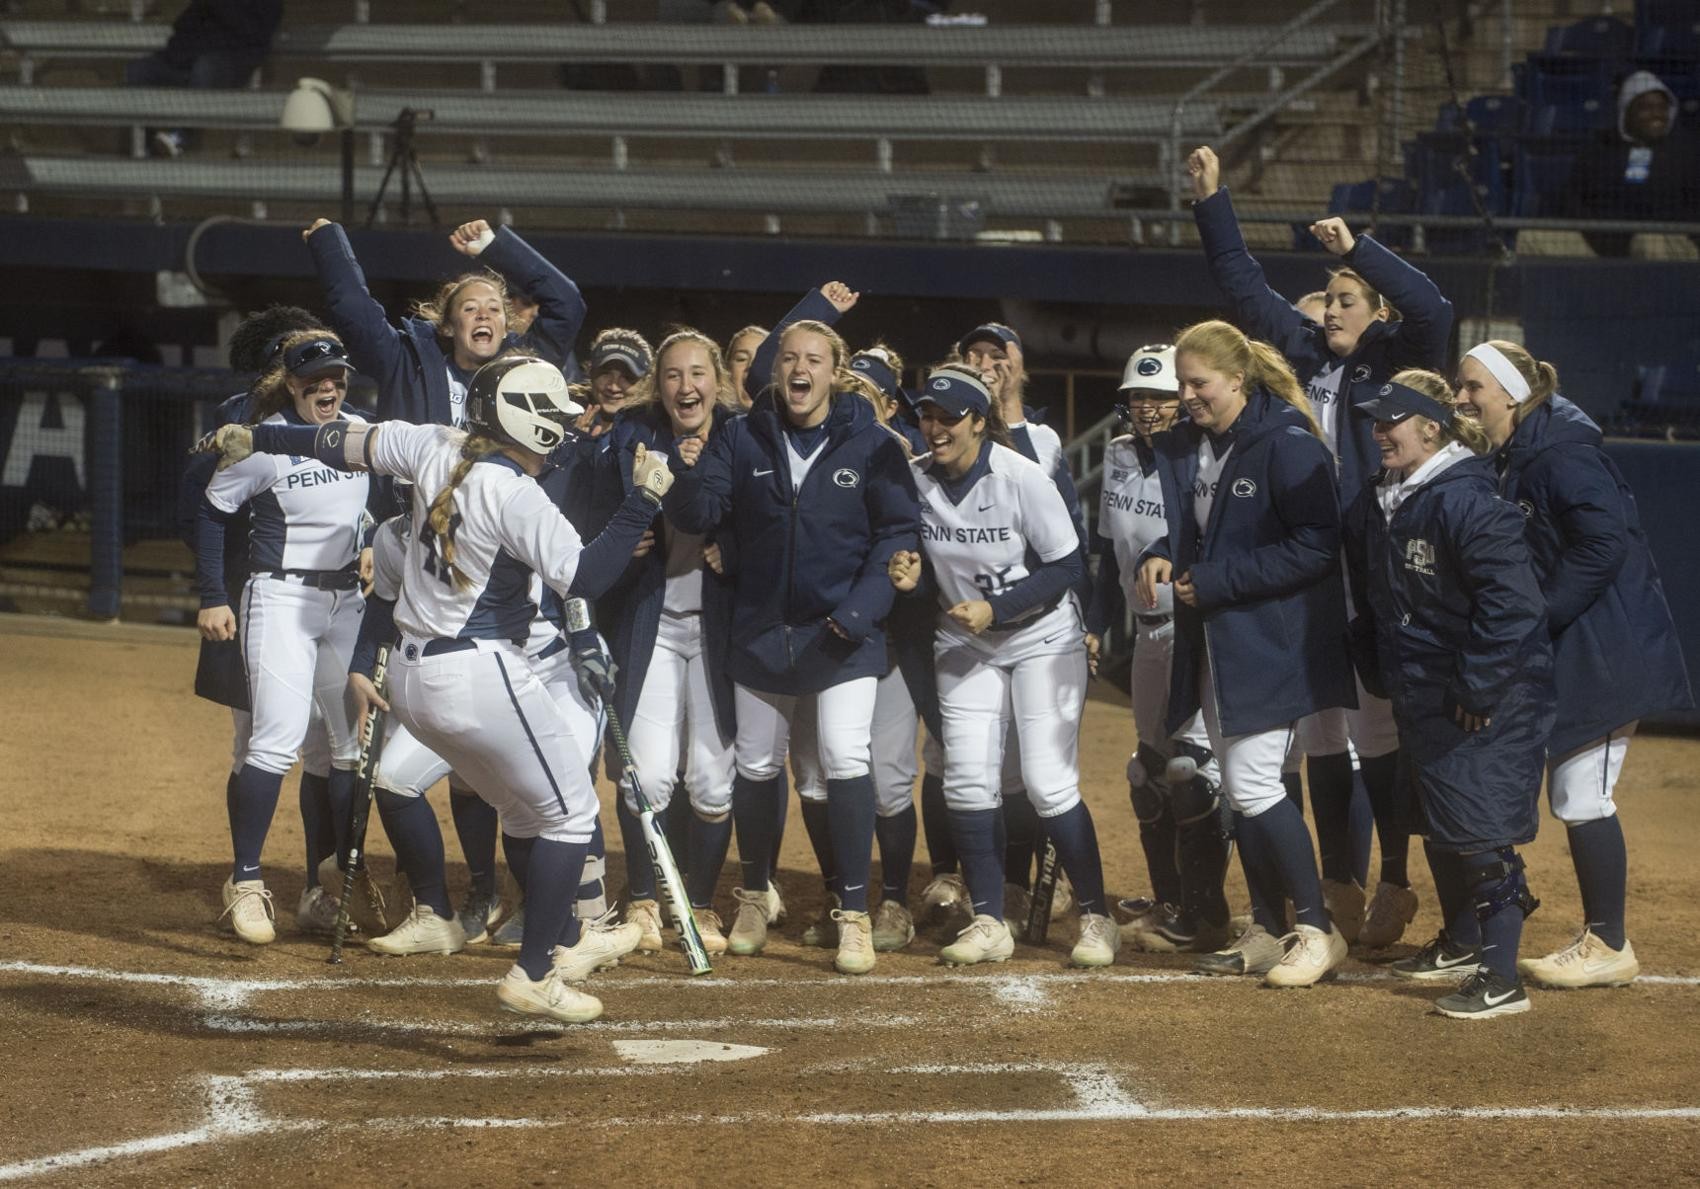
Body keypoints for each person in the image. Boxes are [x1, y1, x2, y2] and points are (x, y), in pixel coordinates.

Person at [205, 354, 673, 1023]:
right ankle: (538, 970)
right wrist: (643, 500)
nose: (565, 427)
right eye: (555, 417)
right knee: (571, 813)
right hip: (479, 670)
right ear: (524, 420)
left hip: (417, 679)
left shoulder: (430, 442)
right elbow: (587, 576)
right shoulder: (513, 491)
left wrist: (260, 438)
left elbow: (340, 443)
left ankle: (564, 944)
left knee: (524, 811)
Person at [1189, 144, 1456, 950]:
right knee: (1322, 735)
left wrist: (1357, 251)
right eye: (1328, 301)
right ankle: (1337, 877)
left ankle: (1401, 880)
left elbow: (1436, 309)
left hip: (1377, 567)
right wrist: (1213, 203)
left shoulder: (1397, 358)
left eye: (1346, 300)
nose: (1331, 311)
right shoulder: (1300, 358)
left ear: (1374, 311)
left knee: (1382, 731)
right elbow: (1241, 288)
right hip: (1314, 564)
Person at [305, 215, 588, 936]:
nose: (485, 317)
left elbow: (566, 303)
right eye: (470, 308)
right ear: (446, 325)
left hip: (527, 585)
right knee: (455, 761)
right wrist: (331, 243)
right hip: (437, 578)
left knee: (515, 772)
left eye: (495, 307)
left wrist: (496, 250)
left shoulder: (531, 366)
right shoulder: (412, 367)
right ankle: (463, 899)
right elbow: (351, 313)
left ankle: (549, 908)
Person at [663, 305, 920, 975]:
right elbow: (700, 510)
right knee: (755, 763)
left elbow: (896, 534)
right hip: (761, 632)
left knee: (842, 755)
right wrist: (687, 474)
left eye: (814, 359)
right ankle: (753, 896)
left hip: (844, 635)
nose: (800, 368)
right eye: (789, 358)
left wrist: (861, 610)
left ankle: (854, 915)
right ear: (773, 371)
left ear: (837, 372)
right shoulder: (741, 436)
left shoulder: (872, 444)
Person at [1456, 340, 1693, 989]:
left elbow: (1604, 541)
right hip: (1577, 646)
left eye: (1473, 385)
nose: (1462, 397)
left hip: (1608, 648)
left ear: (1509, 392)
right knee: (1569, 790)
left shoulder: (1561, 451)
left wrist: (1536, 615)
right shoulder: (1518, 452)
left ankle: (1610, 941)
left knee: (1582, 792)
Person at [1135, 320, 1355, 987]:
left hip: (1272, 640)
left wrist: (1221, 580)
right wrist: (1160, 550)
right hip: (1218, 639)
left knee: (1256, 785)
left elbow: (1320, 545)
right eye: (1182, 383)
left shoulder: (1288, 444)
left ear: (1237, 378)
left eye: (1198, 383)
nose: (1186, 395)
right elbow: (1193, 528)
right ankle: (1266, 926)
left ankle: (1318, 928)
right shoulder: (1193, 444)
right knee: (1238, 786)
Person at [890, 366, 1118, 967]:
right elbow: (914, 569)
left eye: (947, 417)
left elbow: (1069, 567)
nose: (934, 427)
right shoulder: (914, 481)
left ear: (977, 421)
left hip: (1042, 637)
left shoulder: (1021, 477)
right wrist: (912, 584)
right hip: (964, 643)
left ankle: (1098, 916)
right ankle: (990, 920)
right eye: (926, 416)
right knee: (965, 778)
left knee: (1046, 782)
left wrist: (997, 607)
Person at [1344, 371, 1554, 1018]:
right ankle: (1464, 940)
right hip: (1427, 688)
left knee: (1480, 831)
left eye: (1392, 422)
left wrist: (1480, 681)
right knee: (1441, 822)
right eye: (1375, 423)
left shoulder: (1464, 499)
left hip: (1483, 695)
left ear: (1431, 428)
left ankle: (1501, 977)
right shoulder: (1395, 494)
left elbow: (1514, 605)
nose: (1379, 433)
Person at [180, 306, 357, 938]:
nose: (326, 387)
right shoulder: (256, 433)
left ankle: (323, 885)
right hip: (276, 597)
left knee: (344, 751)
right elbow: (205, 507)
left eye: (336, 375)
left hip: (347, 605)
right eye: (313, 378)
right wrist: (212, 593)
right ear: (286, 381)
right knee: (271, 740)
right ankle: (248, 879)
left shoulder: (362, 433)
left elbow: (394, 503)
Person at [591, 330, 743, 956]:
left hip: (718, 632)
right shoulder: (632, 434)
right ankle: (647, 898)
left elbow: (759, 518)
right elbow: (590, 505)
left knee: (712, 782)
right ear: (660, 384)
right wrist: (617, 543)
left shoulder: (743, 435)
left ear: (718, 381)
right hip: (649, 625)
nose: (687, 386)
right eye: (674, 375)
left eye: (699, 373)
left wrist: (736, 547)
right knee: (645, 777)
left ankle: (700, 905)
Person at [1086, 344, 1230, 954]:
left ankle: (1207, 913)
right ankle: (1171, 902)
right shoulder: (1117, 457)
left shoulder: (1206, 458)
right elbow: (1102, 555)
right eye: (1137, 398)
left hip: (1200, 631)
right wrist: (1094, 623)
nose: (1148, 409)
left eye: (1161, 397)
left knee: (1191, 773)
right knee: (1145, 773)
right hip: (1147, 633)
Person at [1567, 70, 1700, 257]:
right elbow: (1575, 200)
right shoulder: (1600, 149)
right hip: (1602, 241)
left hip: (1671, 241)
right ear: (1626, 112)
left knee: (1649, 240)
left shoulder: (1687, 152)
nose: (1657, 115)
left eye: (1662, 107)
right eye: (1646, 108)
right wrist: (1599, 234)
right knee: (1529, 238)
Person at [124, 0, 282, 157]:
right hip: (187, 58)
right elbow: (182, 25)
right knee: (139, 70)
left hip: (230, 63)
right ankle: (147, 144)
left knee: (205, 68)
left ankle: (180, 138)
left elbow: (256, 37)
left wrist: (220, 9)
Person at [573, 329, 654, 438]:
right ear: (590, 373)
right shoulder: (561, 419)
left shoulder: (656, 436)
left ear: (646, 384)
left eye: (627, 377)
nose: (613, 387)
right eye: (605, 373)